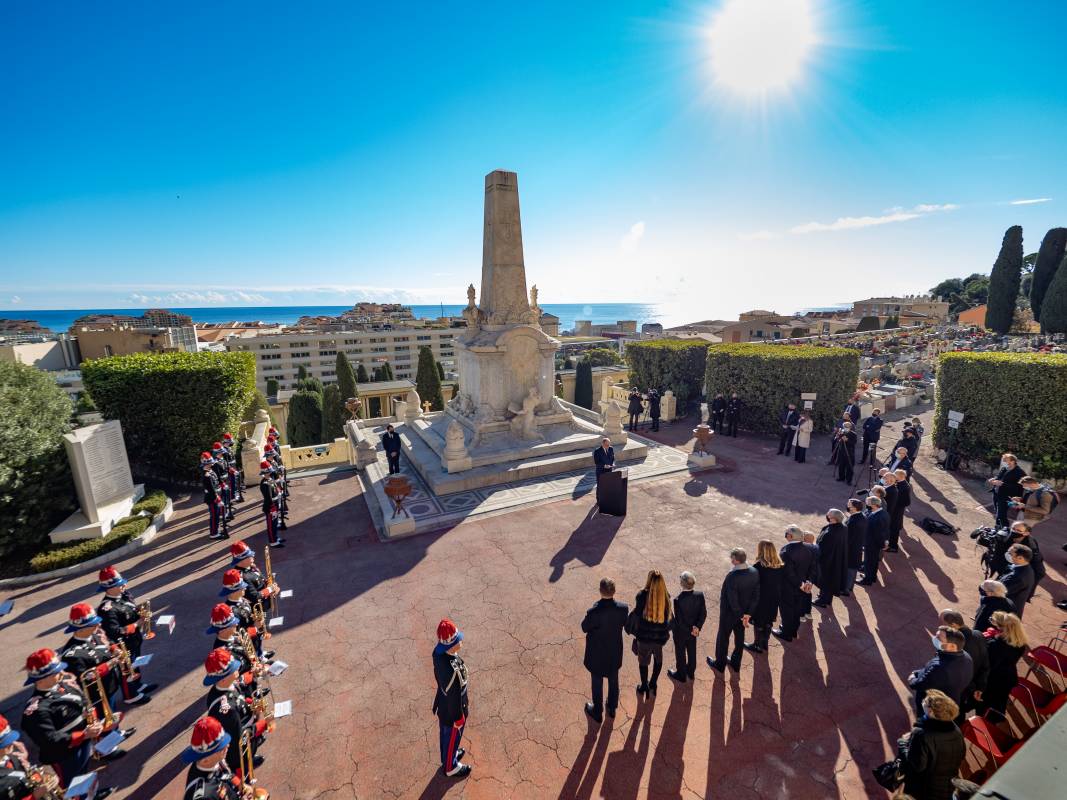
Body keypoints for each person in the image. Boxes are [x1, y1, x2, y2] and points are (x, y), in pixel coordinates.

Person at [21, 649, 123, 793]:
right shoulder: (36, 709)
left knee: (83, 774)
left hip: (83, 742)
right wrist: (84, 735)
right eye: (56, 672)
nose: (62, 673)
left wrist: (92, 722)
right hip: (64, 754)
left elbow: (83, 704)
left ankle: (88, 795)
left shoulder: (64, 685)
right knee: (72, 785)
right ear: (41, 679)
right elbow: (49, 740)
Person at [60, 603, 149, 712]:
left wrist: (114, 649)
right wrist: (112, 663)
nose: (98, 625)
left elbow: (108, 642)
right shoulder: (72, 654)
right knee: (104, 717)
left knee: (112, 711)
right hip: (96, 694)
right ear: (81, 629)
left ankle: (114, 729)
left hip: (109, 685)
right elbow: (86, 677)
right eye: (93, 624)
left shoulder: (95, 634)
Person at [202, 648, 269, 776]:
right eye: (233, 669)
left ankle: (251, 758)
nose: (237, 669)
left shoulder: (226, 687)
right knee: (244, 773)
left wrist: (252, 704)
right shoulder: (226, 709)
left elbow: (240, 699)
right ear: (222, 678)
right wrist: (263, 725)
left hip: (246, 735)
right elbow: (241, 737)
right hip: (237, 753)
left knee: (249, 754)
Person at [95, 567, 158, 695]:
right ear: (110, 588)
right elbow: (114, 631)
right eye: (119, 584)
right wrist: (136, 624)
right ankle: (130, 695)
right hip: (123, 646)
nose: (124, 584)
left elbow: (131, 611)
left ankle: (138, 685)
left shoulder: (124, 595)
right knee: (127, 672)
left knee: (136, 664)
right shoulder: (106, 608)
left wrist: (142, 613)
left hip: (134, 640)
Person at [899, 689, 965, 800]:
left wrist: (903, 744)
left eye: (925, 702)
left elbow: (917, 766)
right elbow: (962, 754)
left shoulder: (921, 734)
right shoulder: (957, 730)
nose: (923, 702)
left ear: (930, 711)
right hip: (949, 787)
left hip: (924, 790)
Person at [581, 578, 629, 723]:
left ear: (600, 591)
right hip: (614, 652)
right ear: (614, 591)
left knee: (597, 682)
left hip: (596, 654)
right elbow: (626, 624)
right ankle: (612, 707)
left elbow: (584, 627)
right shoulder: (623, 608)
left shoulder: (594, 611)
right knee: (614, 680)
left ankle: (597, 712)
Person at [708, 549, 759, 672]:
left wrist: (741, 615)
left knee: (723, 637)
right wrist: (747, 614)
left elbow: (732, 599)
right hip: (745, 613)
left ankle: (720, 663)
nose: (731, 560)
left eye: (732, 558)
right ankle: (736, 663)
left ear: (736, 560)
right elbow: (756, 595)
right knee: (740, 637)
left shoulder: (732, 576)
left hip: (730, 614)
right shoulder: (754, 572)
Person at [432, 619, 471, 778]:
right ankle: (450, 766)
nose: (460, 641)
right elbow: (454, 696)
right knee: (453, 735)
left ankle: (449, 754)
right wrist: (459, 717)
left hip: (443, 704)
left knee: (445, 736)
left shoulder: (438, 654)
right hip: (453, 710)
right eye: (457, 640)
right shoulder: (451, 670)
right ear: (450, 645)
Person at [907, 627, 974, 716]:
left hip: (934, 706)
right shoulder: (966, 656)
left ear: (952, 646)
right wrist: (918, 672)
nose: (934, 638)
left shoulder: (940, 668)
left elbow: (920, 684)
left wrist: (912, 679)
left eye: (939, 638)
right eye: (936, 635)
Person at [977, 611, 1028, 722]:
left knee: (985, 706)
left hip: (993, 681)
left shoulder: (995, 645)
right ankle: (997, 718)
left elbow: (989, 665)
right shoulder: (1020, 642)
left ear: (1002, 628)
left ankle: (986, 726)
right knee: (1000, 701)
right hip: (1008, 678)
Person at [938, 609, 989, 719]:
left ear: (954, 625)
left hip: (961, 692)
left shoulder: (957, 648)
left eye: (944, 625)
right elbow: (985, 664)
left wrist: (973, 689)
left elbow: (961, 674)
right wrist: (980, 687)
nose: (942, 627)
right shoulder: (979, 634)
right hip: (972, 689)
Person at [631, 571, 672, 696]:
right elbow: (669, 618)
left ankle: (644, 685)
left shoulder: (641, 596)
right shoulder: (666, 597)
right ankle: (653, 683)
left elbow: (636, 615)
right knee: (658, 659)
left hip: (644, 637)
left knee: (643, 661)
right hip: (659, 637)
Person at [773, 526, 817, 641]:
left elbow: (788, 573)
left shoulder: (786, 551)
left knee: (786, 610)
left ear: (790, 536)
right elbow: (812, 568)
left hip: (788, 587)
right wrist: (808, 582)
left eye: (787, 533)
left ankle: (786, 633)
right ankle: (792, 631)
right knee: (797, 609)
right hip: (802, 586)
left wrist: (800, 584)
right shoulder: (808, 549)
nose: (786, 535)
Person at [181, 716, 241, 800]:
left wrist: (241, 785)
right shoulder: (203, 796)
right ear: (205, 760)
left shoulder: (214, 761)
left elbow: (227, 775)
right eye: (220, 749)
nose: (228, 745)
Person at [745, 540, 783, 653]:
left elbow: (752, 584)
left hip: (761, 599)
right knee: (769, 621)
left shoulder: (758, 566)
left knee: (759, 622)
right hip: (774, 598)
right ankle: (765, 643)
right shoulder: (780, 565)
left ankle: (757, 645)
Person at [668, 571, 707, 682]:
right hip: (693, 632)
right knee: (692, 650)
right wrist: (697, 627)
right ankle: (691, 672)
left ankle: (681, 675)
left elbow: (680, 621)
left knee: (680, 653)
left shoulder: (678, 600)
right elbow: (703, 613)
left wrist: (692, 629)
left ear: (682, 583)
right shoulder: (700, 595)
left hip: (681, 632)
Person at [813, 509, 848, 608]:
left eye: (829, 514)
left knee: (824, 580)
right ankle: (827, 599)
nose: (827, 514)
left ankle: (823, 601)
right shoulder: (843, 528)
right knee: (830, 580)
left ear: (833, 518)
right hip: (836, 559)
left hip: (827, 561)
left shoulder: (830, 533)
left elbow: (823, 548)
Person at [858, 496, 890, 586]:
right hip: (875, 543)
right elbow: (887, 530)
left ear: (873, 505)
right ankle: (872, 577)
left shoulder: (878, 517)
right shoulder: (884, 513)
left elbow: (880, 533)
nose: (866, 505)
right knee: (874, 561)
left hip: (872, 543)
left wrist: (881, 544)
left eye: (868, 504)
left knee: (869, 561)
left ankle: (867, 580)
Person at [987, 453, 1024, 528]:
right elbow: (999, 477)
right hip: (996, 493)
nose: (1005, 462)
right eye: (1005, 460)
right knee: (998, 512)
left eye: (1006, 460)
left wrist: (1003, 484)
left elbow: (1019, 487)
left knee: (1001, 515)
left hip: (1006, 496)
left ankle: (1004, 530)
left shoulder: (1019, 472)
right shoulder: (1005, 468)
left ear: (1013, 461)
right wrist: (994, 479)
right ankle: (998, 528)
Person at [999, 544, 1035, 618]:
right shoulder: (1023, 567)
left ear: (1020, 558)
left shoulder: (1019, 577)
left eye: (1010, 553)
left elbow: (1000, 592)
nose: (1007, 554)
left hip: (1005, 613)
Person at [202, 452, 227, 541]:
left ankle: (216, 531)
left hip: (216, 496)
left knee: (216, 515)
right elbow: (211, 489)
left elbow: (216, 482)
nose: (212, 464)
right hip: (212, 499)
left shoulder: (210, 471)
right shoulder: (206, 475)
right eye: (210, 463)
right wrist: (217, 498)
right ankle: (213, 533)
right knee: (214, 516)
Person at [844, 499, 867, 593]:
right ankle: (849, 586)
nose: (847, 507)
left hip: (851, 548)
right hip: (857, 546)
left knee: (850, 568)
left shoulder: (854, 521)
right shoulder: (861, 516)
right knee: (852, 567)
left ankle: (846, 588)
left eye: (849, 505)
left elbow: (849, 537)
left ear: (854, 508)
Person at [888, 468, 912, 552]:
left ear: (901, 476)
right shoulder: (899, 483)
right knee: (892, 528)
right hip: (894, 511)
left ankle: (893, 547)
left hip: (897, 512)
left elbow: (907, 502)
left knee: (894, 529)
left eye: (895, 474)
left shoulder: (905, 487)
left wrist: (896, 503)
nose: (894, 475)